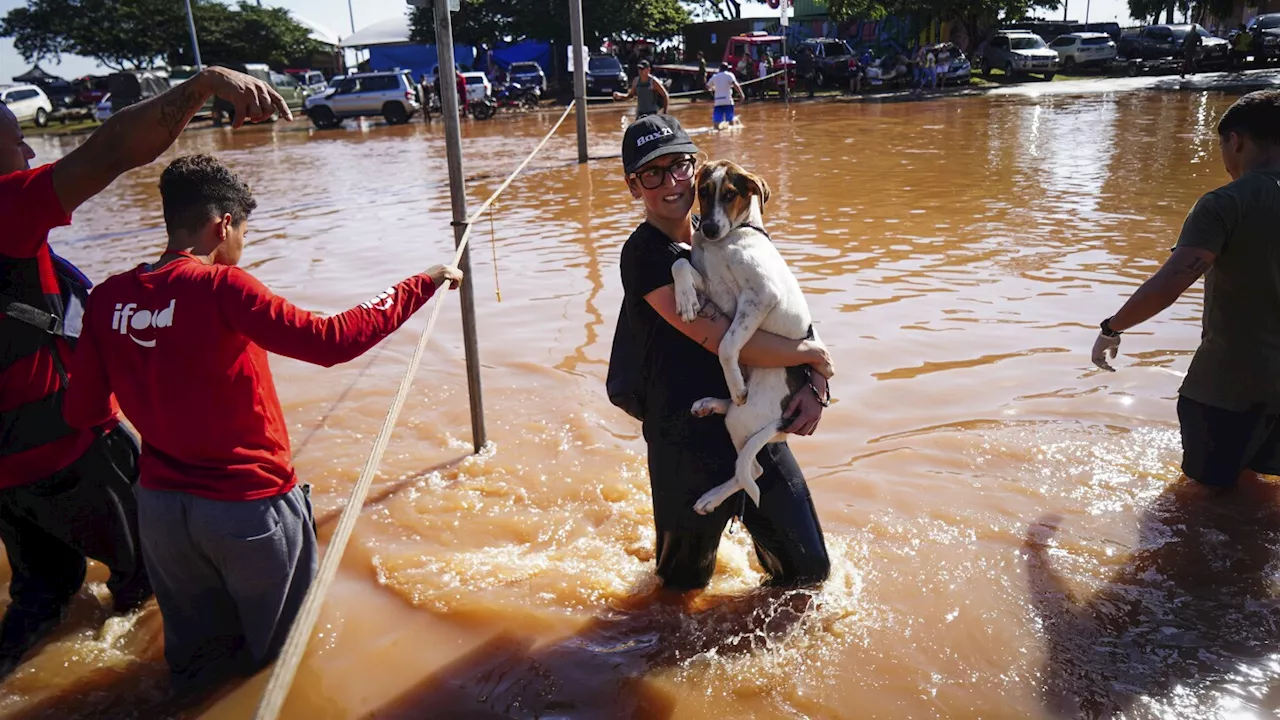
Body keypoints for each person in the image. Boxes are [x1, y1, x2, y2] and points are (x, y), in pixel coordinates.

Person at [61, 154, 464, 691]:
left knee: (196, 667)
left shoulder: (109, 297)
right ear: (222, 224)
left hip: (161, 513)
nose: (241, 247)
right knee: (282, 667)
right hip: (248, 509)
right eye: (243, 233)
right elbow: (333, 340)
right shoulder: (224, 288)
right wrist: (426, 279)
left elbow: (84, 412)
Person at [0, 65, 289, 680]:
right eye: (14, 139)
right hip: (63, 447)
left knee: (40, 595)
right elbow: (107, 151)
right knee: (148, 585)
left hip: (6, 474)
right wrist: (202, 84)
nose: (28, 150)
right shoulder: (6, 207)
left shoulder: (116, 292)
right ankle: (142, 685)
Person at [616, 114, 832, 591]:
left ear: (699, 172)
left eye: (679, 167)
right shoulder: (646, 255)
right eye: (652, 173)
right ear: (634, 187)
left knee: (809, 573)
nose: (670, 183)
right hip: (686, 441)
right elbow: (725, 340)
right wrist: (813, 358)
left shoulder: (728, 234)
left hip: (752, 418)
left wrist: (817, 384)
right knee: (681, 591)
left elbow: (784, 305)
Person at [1090, 91, 1280, 490]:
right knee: (1257, 492)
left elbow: (1172, 282)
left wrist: (1112, 328)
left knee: (1205, 502)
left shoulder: (1227, 203)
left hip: (1229, 387)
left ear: (1236, 141)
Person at [707, 61, 745, 129]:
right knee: (730, 121)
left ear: (719, 69)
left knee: (716, 123)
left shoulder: (715, 77)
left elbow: (707, 86)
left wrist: (713, 88)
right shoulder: (729, 75)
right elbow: (735, 85)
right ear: (727, 69)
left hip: (718, 102)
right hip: (727, 100)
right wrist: (741, 94)